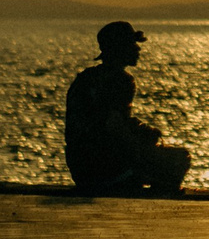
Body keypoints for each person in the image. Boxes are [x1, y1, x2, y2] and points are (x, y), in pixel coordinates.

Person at [63, 20, 191, 194]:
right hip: (105, 169)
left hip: (81, 170)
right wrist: (143, 147)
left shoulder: (86, 78)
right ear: (120, 48)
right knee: (179, 159)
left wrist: (139, 131)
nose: (138, 49)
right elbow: (114, 127)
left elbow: (104, 120)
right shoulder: (121, 80)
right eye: (132, 44)